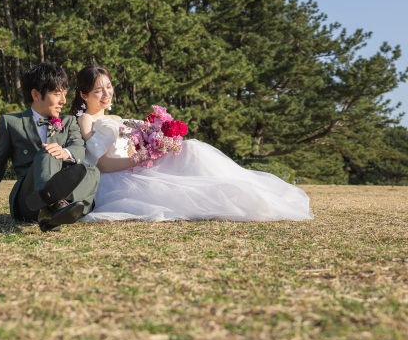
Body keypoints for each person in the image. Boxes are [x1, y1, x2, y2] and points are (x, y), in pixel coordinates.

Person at [72, 65, 313, 222]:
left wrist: (154, 146)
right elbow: (100, 164)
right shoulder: (86, 119)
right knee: (180, 190)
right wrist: (137, 160)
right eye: (97, 90)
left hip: (136, 164)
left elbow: (132, 146)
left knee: (191, 148)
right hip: (117, 176)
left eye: (109, 86)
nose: (106, 94)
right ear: (83, 95)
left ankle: (244, 190)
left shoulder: (116, 118)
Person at [0, 63, 101, 232]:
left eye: (65, 94)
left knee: (92, 171)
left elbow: (78, 148)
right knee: (48, 151)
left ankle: (57, 210)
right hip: (28, 201)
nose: (64, 100)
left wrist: (65, 152)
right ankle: (51, 205)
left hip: (65, 196)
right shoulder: (11, 123)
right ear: (36, 94)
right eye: (57, 93)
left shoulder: (69, 122)